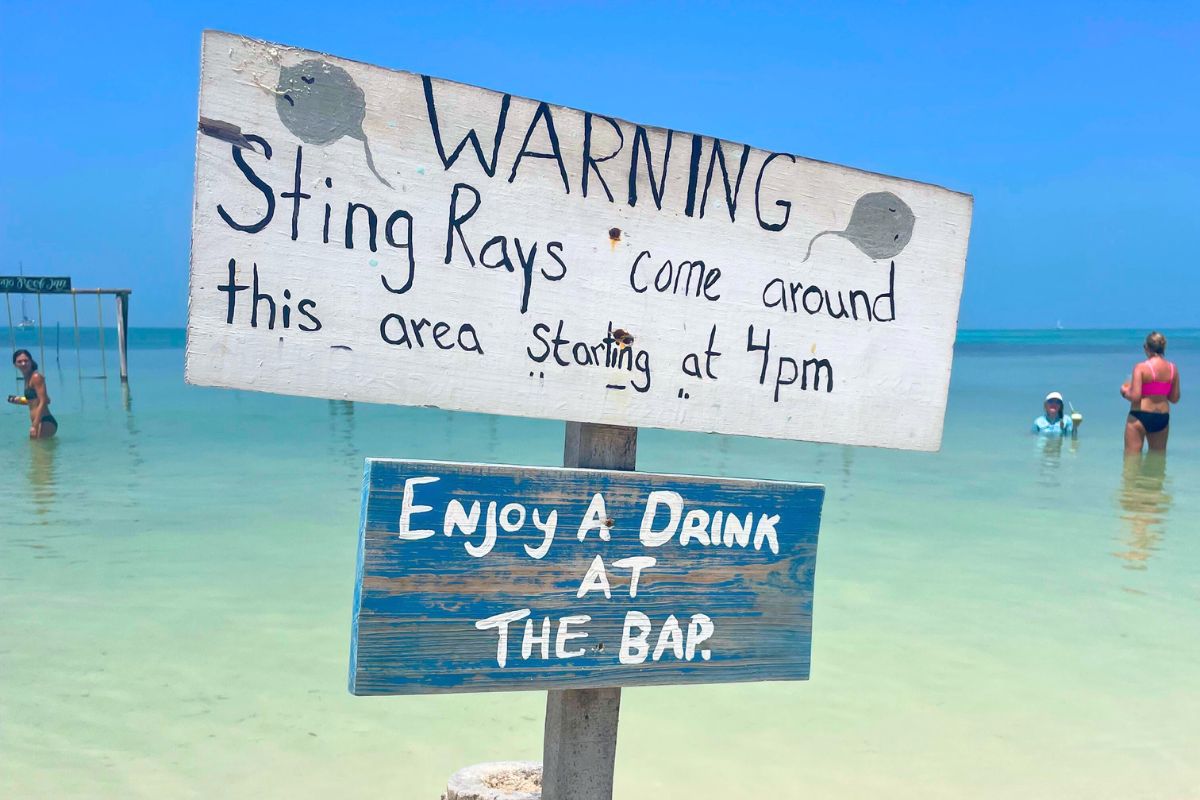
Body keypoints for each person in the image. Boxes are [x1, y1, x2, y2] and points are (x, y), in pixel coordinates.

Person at [1121, 331, 1181, 454]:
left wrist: (1124, 392)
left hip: (1140, 416)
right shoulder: (1172, 369)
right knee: (1158, 462)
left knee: (1131, 462)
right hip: (1162, 418)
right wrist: (1159, 390)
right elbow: (1174, 398)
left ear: (1147, 347)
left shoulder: (1141, 367)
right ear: (1163, 347)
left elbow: (1135, 396)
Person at [9, 349, 57, 439]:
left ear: (30, 361)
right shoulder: (27, 378)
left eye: (26, 361)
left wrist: (34, 425)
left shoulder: (36, 377)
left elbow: (43, 401)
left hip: (44, 421)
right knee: (36, 451)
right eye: (19, 361)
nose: (23, 363)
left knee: (39, 451)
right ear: (15, 365)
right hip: (38, 421)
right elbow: (46, 400)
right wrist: (20, 401)